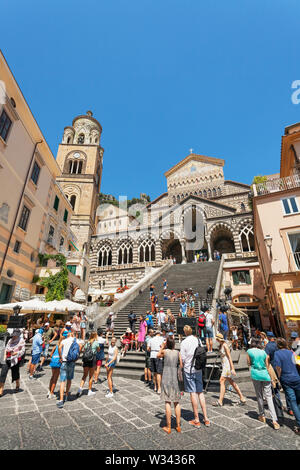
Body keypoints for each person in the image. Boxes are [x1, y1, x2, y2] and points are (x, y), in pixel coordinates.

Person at [180, 325, 210, 427]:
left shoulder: (184, 342)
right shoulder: (198, 340)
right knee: (200, 392)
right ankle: (206, 418)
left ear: (185, 332)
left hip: (189, 369)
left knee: (193, 393)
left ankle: (197, 419)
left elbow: (183, 358)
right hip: (198, 368)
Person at [247, 338, 280, 430]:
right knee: (269, 397)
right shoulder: (263, 352)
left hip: (255, 375)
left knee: (259, 396)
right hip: (265, 375)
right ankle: (274, 420)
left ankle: (262, 415)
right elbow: (267, 365)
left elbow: (248, 363)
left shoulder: (249, 351)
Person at [212, 333, 247, 407]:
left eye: (217, 339)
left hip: (227, 365)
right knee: (231, 382)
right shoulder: (221, 345)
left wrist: (232, 368)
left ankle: (220, 401)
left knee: (222, 381)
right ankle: (242, 397)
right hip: (224, 364)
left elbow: (229, 357)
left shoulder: (225, 346)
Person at [157, 336, 183, 434]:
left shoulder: (165, 351)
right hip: (175, 377)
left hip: (166, 376)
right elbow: (181, 365)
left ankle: (168, 427)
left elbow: (158, 355)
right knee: (177, 402)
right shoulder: (177, 352)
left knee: (167, 402)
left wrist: (162, 347)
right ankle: (178, 426)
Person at [274, 337, 300, 434]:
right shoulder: (291, 352)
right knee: (299, 400)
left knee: (292, 401)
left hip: (286, 379)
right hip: (296, 377)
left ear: (278, 345)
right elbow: (297, 363)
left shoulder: (277, 354)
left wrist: (279, 378)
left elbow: (278, 367)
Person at [57, 330, 82, 408]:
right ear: (73, 335)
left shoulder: (64, 340)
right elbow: (81, 346)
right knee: (69, 379)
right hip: (71, 362)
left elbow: (59, 347)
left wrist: (61, 357)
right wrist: (77, 356)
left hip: (64, 361)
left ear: (68, 335)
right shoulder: (76, 340)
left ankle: (61, 399)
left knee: (62, 381)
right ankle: (67, 395)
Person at [0, 329, 25, 397]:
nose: (13, 337)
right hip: (7, 359)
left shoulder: (21, 341)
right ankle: (1, 389)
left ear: (18, 335)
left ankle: (17, 384)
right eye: (13, 335)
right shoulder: (10, 340)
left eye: (15, 335)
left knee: (15, 374)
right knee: (3, 373)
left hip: (15, 359)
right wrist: (4, 358)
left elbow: (22, 351)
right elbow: (6, 348)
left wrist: (16, 353)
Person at [77, 331, 100, 398]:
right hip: (92, 360)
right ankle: (89, 391)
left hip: (86, 360)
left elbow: (84, 350)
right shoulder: (96, 343)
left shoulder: (87, 342)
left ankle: (79, 389)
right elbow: (98, 350)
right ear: (95, 336)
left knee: (84, 375)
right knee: (90, 376)